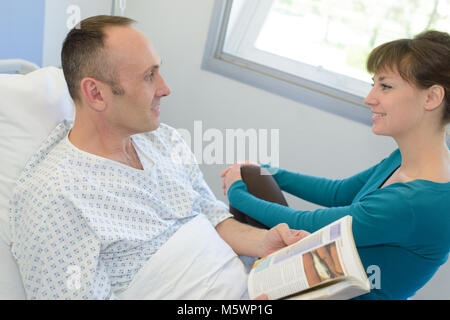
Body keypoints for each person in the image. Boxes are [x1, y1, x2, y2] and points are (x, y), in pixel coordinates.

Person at [8, 15, 309, 300]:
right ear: (96, 94)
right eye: (149, 76)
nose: (165, 89)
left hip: (252, 285)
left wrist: (262, 243)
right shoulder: (55, 197)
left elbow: (209, 214)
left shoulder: (162, 140)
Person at [222, 30, 450, 300]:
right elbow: (338, 192)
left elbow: (308, 223)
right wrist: (266, 171)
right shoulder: (406, 160)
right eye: (373, 84)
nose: (369, 98)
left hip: (337, 292)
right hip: (327, 271)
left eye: (385, 86)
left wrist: (235, 191)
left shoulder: (416, 203)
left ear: (432, 98)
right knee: (253, 173)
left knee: (248, 189)